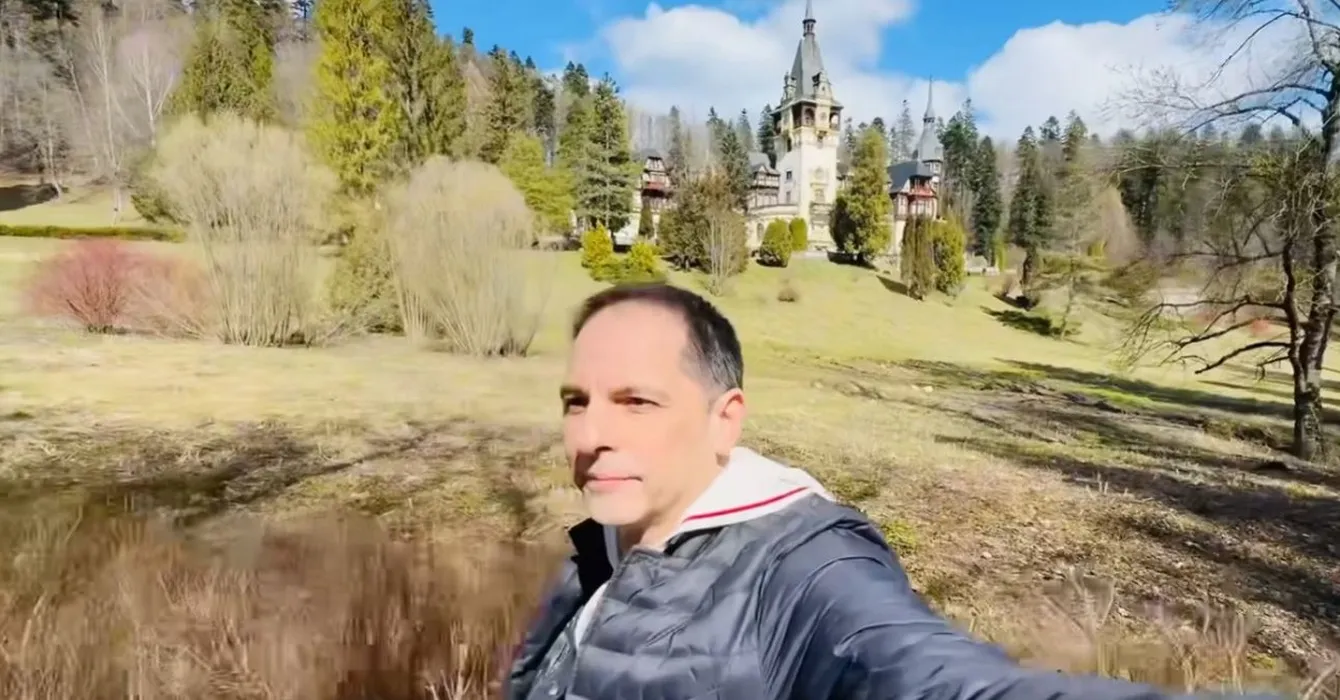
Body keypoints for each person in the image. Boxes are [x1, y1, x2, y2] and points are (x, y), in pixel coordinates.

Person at [504, 282, 1276, 700]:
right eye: (576, 401)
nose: (590, 433)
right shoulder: (599, 548)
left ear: (723, 420)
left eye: (636, 401)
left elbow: (939, 681)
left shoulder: (802, 570)